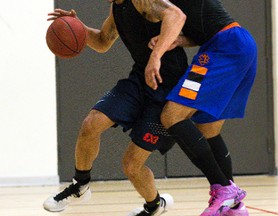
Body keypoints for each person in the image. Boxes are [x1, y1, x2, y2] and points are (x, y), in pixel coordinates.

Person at [43, 1, 189, 215]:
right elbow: (103, 41)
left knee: (131, 165)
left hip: (168, 90)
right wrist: (77, 27)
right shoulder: (117, 8)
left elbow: (176, 15)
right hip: (140, 80)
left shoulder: (143, 1)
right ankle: (80, 185)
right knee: (91, 123)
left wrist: (156, 56)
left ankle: (154, 206)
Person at [145, 0, 257, 216]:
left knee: (172, 116)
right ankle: (234, 206)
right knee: (208, 129)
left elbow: (182, 18)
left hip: (222, 49)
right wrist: (178, 40)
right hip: (236, 44)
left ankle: (223, 188)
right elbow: (203, 28)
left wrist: (156, 55)